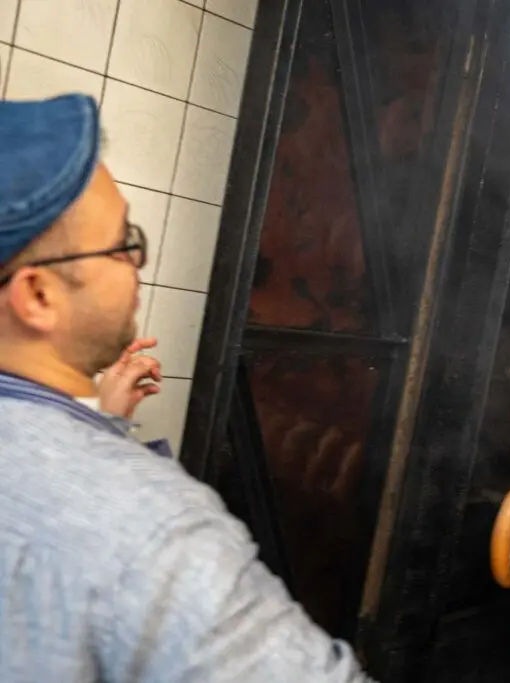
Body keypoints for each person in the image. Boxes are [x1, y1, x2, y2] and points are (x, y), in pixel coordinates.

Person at [0, 95, 374, 681]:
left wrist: (100, 426)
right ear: (37, 296)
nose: (137, 262)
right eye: (122, 243)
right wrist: (102, 461)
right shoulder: (146, 527)